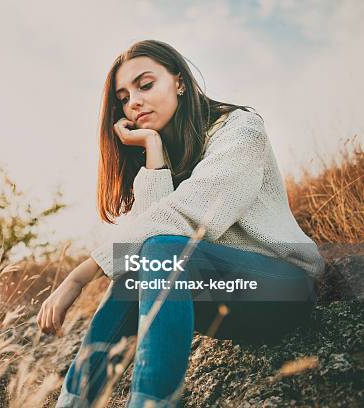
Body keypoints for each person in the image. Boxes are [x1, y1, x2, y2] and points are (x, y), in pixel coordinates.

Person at [36, 40, 324, 407]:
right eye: (123, 97)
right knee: (136, 269)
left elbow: (190, 216)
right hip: (222, 296)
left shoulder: (241, 131)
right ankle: (73, 403)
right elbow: (151, 238)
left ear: (179, 83)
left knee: (158, 252)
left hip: (281, 289)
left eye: (145, 85)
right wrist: (153, 147)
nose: (133, 103)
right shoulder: (168, 152)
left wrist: (79, 276)